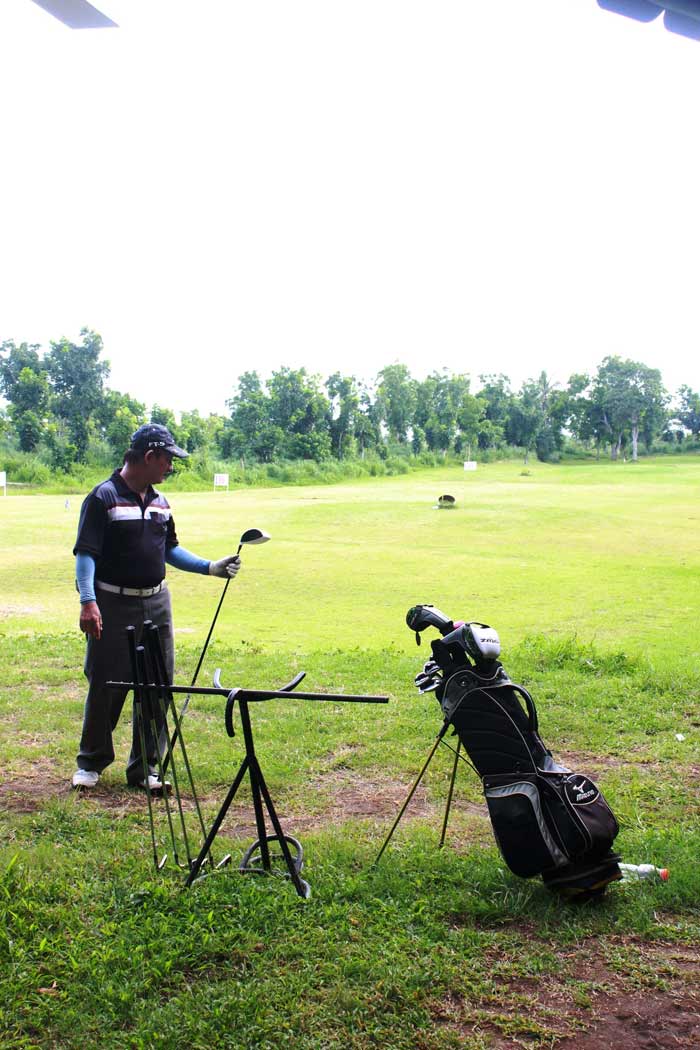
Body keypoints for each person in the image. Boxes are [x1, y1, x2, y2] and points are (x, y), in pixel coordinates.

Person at [71, 422, 242, 791]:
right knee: (106, 684)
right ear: (149, 457)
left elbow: (169, 550)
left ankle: (146, 768)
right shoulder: (102, 498)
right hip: (112, 603)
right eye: (167, 460)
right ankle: (91, 763)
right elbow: (86, 554)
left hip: (157, 603)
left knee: (157, 685)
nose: (170, 467)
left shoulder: (162, 503)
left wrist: (210, 567)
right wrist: (88, 601)